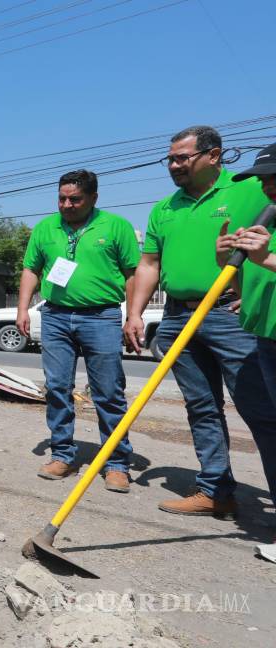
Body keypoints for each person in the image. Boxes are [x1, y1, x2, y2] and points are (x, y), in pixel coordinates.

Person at [124, 126, 276, 518]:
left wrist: (251, 284)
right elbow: (149, 264)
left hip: (229, 316)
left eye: (182, 158)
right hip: (177, 315)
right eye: (170, 159)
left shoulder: (252, 188)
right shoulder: (164, 208)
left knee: (260, 410)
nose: (174, 165)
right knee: (201, 407)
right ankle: (215, 490)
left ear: (214, 155)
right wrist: (136, 312)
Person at [17, 170, 140, 492]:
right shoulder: (45, 227)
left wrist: (133, 316)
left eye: (75, 199)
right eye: (62, 198)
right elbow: (31, 269)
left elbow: (132, 274)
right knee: (57, 388)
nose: (67, 205)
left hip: (101, 317)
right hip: (55, 316)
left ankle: (115, 463)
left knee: (108, 392)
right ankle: (62, 454)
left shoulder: (116, 226)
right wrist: (22, 309)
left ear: (93, 198)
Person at [214, 143, 276, 560]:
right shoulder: (268, 220)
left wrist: (265, 255)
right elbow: (246, 291)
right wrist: (230, 264)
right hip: (266, 338)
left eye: (274, 177)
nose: (267, 186)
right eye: (264, 179)